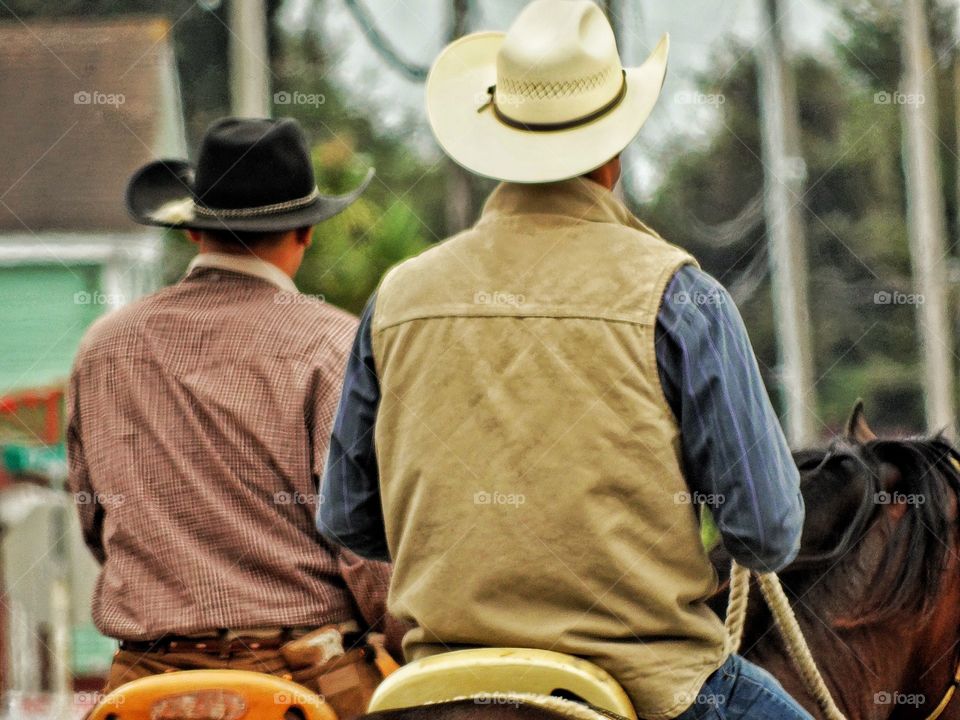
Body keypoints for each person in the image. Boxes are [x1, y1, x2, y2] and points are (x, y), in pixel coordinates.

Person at [318, 2, 810, 719]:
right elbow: (766, 532)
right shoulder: (681, 296)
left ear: (497, 138)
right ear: (615, 151)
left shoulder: (399, 297)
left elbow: (348, 519)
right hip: (652, 683)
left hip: (438, 680)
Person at [68, 117, 402, 719]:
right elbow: (366, 553)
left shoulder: (105, 346)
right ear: (304, 232)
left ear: (196, 234)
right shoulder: (334, 346)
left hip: (144, 687)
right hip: (304, 687)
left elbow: (96, 518)